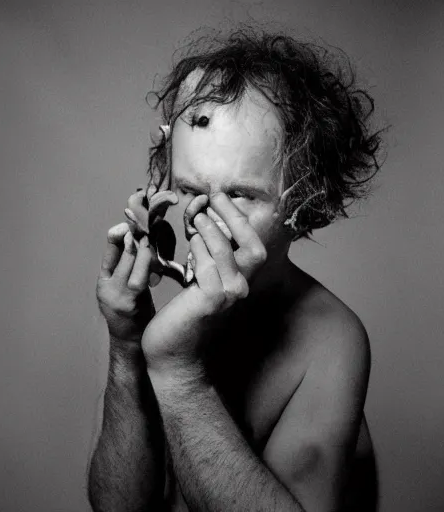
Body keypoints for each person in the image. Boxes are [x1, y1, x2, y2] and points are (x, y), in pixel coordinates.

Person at [89, 28, 382, 512]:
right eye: (187, 189)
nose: (201, 218)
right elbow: (117, 507)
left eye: (241, 195)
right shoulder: (167, 298)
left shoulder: (332, 340)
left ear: (308, 205)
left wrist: (178, 372)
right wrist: (126, 343)